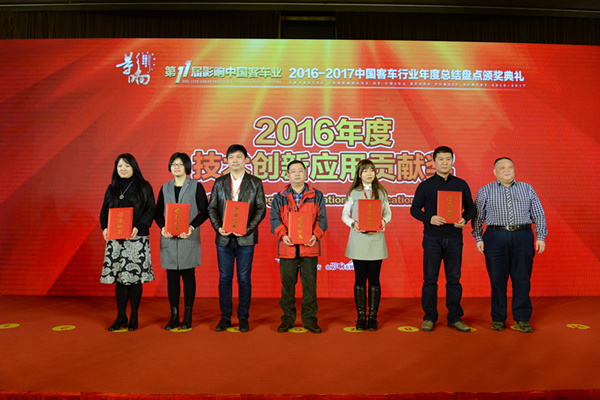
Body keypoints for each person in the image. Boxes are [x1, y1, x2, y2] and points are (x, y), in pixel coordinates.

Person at [472, 157, 547, 333]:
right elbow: (477, 217)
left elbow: (538, 213)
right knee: (497, 280)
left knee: (522, 279)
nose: (507, 170)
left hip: (523, 235)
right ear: (494, 172)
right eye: (502, 167)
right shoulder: (485, 190)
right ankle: (498, 318)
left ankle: (522, 319)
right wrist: (478, 237)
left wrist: (541, 236)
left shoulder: (527, 188)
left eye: (510, 167)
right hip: (495, 237)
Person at [410, 146, 476, 332]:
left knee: (454, 280)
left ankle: (455, 317)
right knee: (430, 279)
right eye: (440, 159)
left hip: (454, 238)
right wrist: (429, 218)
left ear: (452, 161)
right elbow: (414, 209)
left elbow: (471, 208)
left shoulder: (461, 184)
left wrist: (464, 218)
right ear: (434, 162)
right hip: (432, 238)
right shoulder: (426, 185)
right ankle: (429, 317)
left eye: (448, 159)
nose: (444, 162)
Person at [207, 144, 266, 332]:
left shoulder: (255, 182)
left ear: (246, 160)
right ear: (227, 160)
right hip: (224, 238)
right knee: (224, 278)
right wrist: (218, 228)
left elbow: (261, 209)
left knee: (244, 278)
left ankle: (243, 317)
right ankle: (225, 317)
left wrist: (247, 229)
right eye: (231, 157)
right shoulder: (219, 182)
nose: (235, 160)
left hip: (245, 239)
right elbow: (212, 207)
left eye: (239, 157)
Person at [270, 160, 328, 334]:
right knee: (287, 286)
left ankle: (310, 320)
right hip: (287, 248)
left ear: (305, 174)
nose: (297, 174)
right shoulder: (280, 197)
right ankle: (287, 319)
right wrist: (283, 235)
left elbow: (322, 219)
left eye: (300, 171)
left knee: (310, 286)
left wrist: (315, 235)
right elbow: (274, 219)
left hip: (309, 247)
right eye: (293, 171)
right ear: (287, 175)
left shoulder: (316, 195)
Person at [100, 153, 156, 331]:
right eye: (120, 166)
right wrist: (104, 228)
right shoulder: (112, 188)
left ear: (134, 167)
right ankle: (121, 317)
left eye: (127, 165)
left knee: (134, 279)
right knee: (120, 279)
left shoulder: (144, 187)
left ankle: (134, 316)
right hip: (116, 240)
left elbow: (151, 210)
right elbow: (104, 211)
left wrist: (138, 227)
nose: (123, 169)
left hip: (136, 239)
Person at [155, 152, 209, 330]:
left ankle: (187, 316)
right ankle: (174, 316)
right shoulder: (165, 187)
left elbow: (205, 212)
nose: (176, 167)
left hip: (188, 238)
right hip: (169, 239)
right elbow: (157, 213)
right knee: (171, 278)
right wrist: (162, 227)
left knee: (188, 276)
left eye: (180, 164)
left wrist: (192, 227)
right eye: (173, 164)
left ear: (187, 166)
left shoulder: (196, 186)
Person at [341, 159, 392, 331]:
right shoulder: (353, 192)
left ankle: (373, 317)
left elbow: (388, 213)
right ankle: (361, 316)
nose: (369, 174)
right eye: (365, 171)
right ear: (359, 174)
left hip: (376, 240)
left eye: (372, 170)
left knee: (375, 280)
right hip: (359, 240)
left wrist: (384, 221)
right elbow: (344, 214)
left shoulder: (381, 192)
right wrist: (353, 223)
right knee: (360, 279)